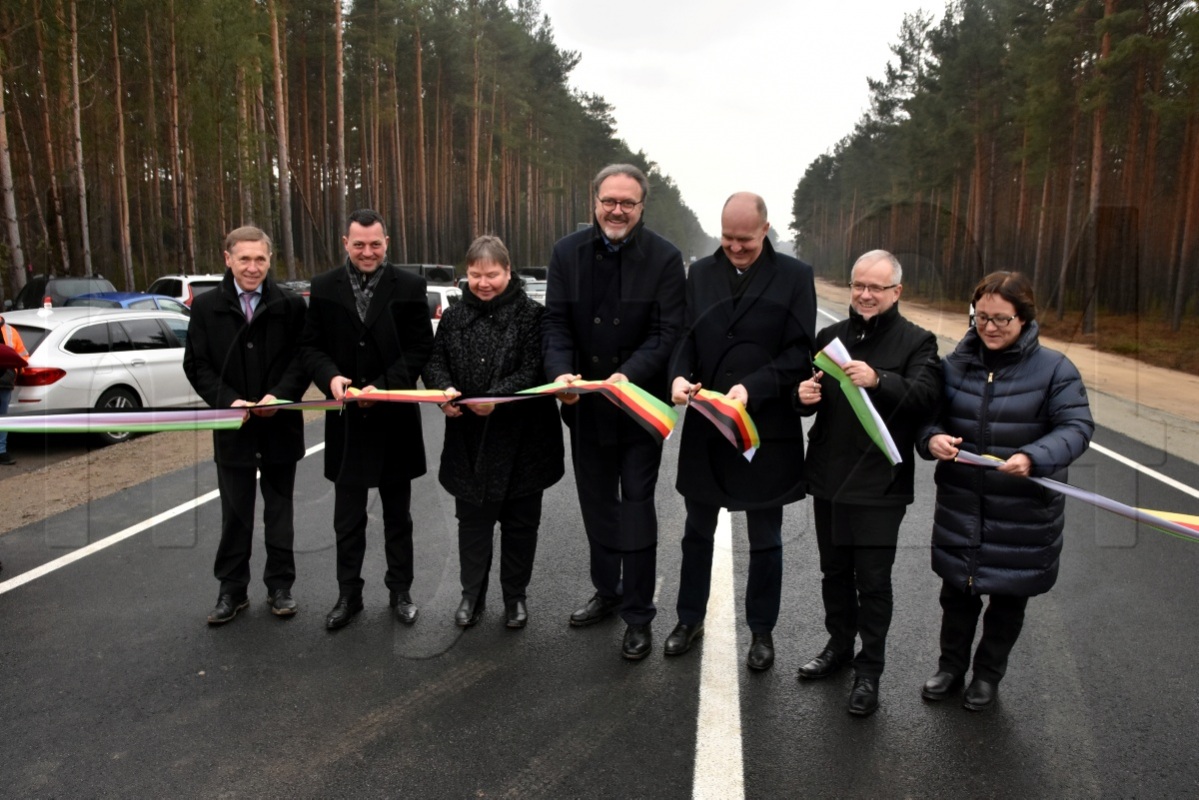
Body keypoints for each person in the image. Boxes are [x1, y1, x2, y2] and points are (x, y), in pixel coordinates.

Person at [918, 271, 1093, 711]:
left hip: (1023, 511)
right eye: (982, 318)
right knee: (956, 594)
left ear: (1024, 318)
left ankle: (987, 676)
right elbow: (926, 418)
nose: (990, 327)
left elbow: (1076, 427)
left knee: (1008, 600)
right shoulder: (953, 365)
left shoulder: (1055, 369)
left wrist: (1035, 456)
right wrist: (931, 438)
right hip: (962, 504)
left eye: (1002, 319)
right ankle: (950, 667)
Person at [666, 192, 816, 671]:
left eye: (745, 240)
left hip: (765, 429)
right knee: (696, 532)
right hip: (707, 424)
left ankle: (761, 631)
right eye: (727, 238)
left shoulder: (795, 277)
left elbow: (799, 353)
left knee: (766, 539)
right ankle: (689, 618)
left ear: (765, 230)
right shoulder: (701, 273)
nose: (734, 247)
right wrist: (678, 374)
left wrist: (753, 388)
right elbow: (686, 336)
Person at [542, 163, 685, 660]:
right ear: (594, 201)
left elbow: (668, 333)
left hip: (638, 407)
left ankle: (639, 614)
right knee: (597, 505)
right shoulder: (566, 253)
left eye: (628, 202)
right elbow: (556, 323)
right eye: (609, 201)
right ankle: (607, 591)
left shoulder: (666, 258)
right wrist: (560, 372)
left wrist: (627, 375)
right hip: (582, 408)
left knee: (637, 508)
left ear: (642, 206)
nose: (617, 210)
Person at [795, 250, 941, 715]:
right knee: (833, 573)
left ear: (896, 292)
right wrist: (804, 397)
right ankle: (838, 648)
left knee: (873, 582)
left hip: (880, 484)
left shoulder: (919, 342)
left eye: (876, 287)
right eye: (859, 285)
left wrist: (879, 378)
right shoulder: (830, 336)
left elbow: (924, 397)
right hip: (829, 478)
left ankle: (868, 671)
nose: (865, 294)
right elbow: (807, 395)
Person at [299, 209, 434, 630]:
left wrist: (385, 385)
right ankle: (348, 595)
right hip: (347, 421)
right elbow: (311, 347)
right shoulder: (323, 287)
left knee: (398, 516)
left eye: (375, 244)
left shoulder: (410, 285)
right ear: (345, 243)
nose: (367, 252)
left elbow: (418, 348)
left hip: (394, 418)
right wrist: (330, 377)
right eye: (359, 244)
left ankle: (401, 592)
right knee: (348, 518)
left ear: (387, 242)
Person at [422, 235, 564, 629]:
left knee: (521, 526)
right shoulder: (453, 317)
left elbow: (535, 369)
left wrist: (494, 398)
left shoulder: (532, 316)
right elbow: (435, 363)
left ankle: (515, 598)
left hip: (524, 441)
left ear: (508, 270)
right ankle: (472, 595)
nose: (484, 283)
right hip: (470, 440)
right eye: (475, 275)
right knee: (473, 525)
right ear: (466, 274)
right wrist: (443, 392)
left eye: (493, 274)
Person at [183, 226, 310, 624]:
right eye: (244, 259)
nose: (252, 267)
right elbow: (197, 364)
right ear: (228, 259)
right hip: (233, 429)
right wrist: (227, 400)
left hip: (280, 427)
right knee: (235, 513)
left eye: (260, 259)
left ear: (270, 260)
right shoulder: (206, 308)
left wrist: (280, 395)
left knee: (279, 513)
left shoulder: (291, 305)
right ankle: (232, 590)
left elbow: (302, 359)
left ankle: (280, 587)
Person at [0, 314, 29, 466]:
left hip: (5, 382)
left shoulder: (10, 331)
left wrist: (16, 373)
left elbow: (23, 356)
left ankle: (1, 451)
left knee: (3, 418)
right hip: (6, 380)